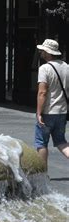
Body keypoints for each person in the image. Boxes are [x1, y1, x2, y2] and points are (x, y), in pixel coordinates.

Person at [34, 39, 69, 170]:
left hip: (48, 112)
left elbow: (42, 92)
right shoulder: (67, 67)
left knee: (41, 143)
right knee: (61, 142)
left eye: (42, 50)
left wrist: (39, 113)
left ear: (48, 53)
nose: (41, 52)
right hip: (62, 112)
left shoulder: (45, 68)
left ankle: (43, 175)